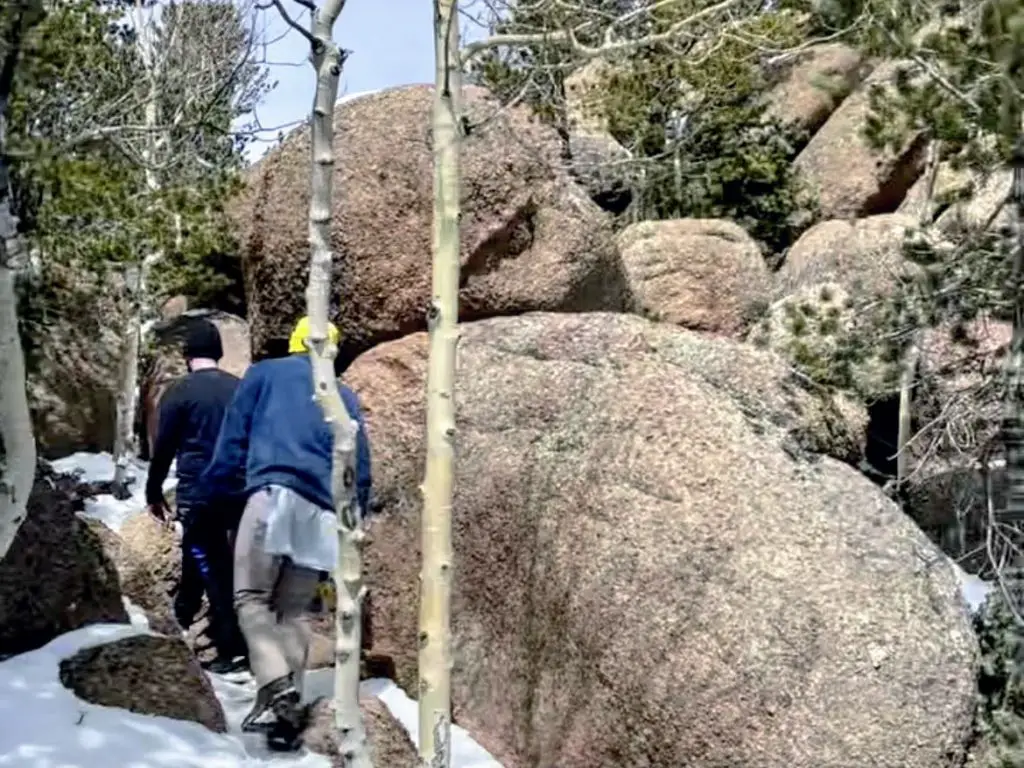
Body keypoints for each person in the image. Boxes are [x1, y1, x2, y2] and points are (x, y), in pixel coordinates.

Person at [201, 315, 372, 751]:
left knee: (250, 598)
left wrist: (213, 494)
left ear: (294, 342)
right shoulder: (345, 397)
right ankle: (284, 720)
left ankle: (276, 682)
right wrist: (354, 521)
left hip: (272, 495)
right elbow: (360, 469)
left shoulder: (264, 374)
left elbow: (233, 440)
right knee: (292, 614)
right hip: (322, 513)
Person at [146, 317, 248, 675]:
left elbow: (164, 447)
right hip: (241, 488)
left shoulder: (179, 391)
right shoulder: (240, 388)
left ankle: (231, 644)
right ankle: (184, 611)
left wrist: (153, 490)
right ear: (218, 353)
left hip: (199, 491)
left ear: (187, 355)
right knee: (211, 555)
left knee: (209, 561)